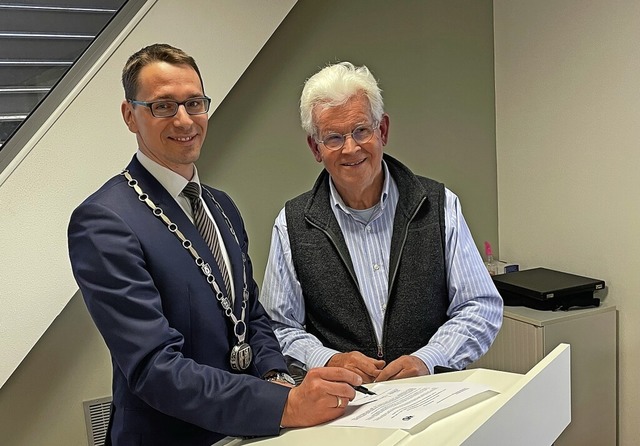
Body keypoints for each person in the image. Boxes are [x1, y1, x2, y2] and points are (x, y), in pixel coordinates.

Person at [68, 44, 361, 446]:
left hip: (248, 432)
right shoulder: (105, 221)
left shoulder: (222, 207)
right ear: (129, 116)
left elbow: (251, 315)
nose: (185, 119)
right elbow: (154, 367)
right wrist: (283, 405)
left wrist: (275, 377)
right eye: (163, 106)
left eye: (195, 103)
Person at [261, 61, 503, 384]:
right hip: (344, 409)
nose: (351, 148)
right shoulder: (290, 225)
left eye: (361, 130)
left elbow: (481, 305)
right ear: (315, 148)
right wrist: (329, 360)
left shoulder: (439, 206)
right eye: (333, 137)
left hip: (431, 396)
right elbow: (278, 327)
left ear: (383, 131)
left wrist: (428, 359)